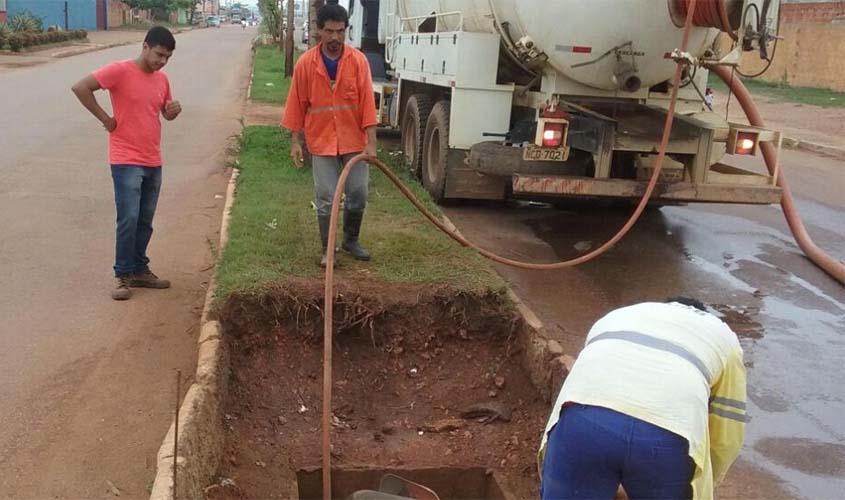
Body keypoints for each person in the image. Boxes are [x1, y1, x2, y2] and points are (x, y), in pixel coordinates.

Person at [539, 298, 748, 500]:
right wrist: (702, 481)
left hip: (582, 422)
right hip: (667, 436)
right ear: (702, 314)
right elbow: (726, 434)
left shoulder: (617, 316)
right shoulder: (723, 337)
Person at [71, 26, 182, 300]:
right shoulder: (119, 71)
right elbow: (80, 87)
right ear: (145, 47)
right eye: (158, 54)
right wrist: (105, 119)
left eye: (167, 57)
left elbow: (164, 113)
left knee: (145, 219)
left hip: (152, 158)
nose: (161, 61)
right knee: (129, 218)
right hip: (125, 159)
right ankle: (122, 275)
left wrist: (172, 112)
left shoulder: (162, 79)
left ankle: (140, 269)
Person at [281, 2, 378, 267]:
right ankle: (328, 250)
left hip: (353, 140)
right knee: (325, 196)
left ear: (346, 30)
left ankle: (350, 239)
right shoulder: (305, 64)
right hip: (321, 140)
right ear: (319, 31)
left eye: (340, 31)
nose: (335, 37)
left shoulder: (358, 62)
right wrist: (295, 142)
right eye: (330, 31)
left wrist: (371, 142)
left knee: (358, 193)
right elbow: (296, 104)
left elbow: (368, 104)